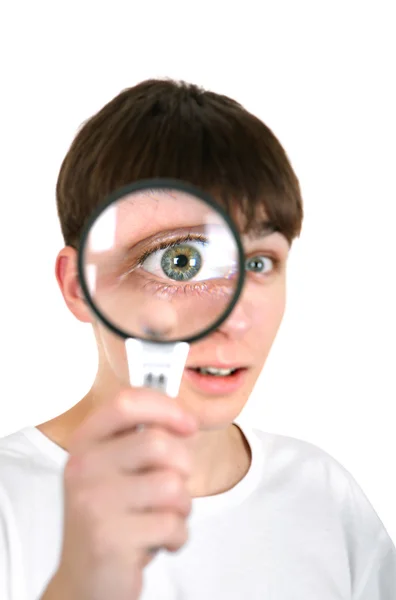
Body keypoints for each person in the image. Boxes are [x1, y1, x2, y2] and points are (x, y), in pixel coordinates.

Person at [0, 79, 395, 600]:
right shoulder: (8, 503)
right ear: (80, 289)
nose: (233, 319)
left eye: (258, 263)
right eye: (180, 262)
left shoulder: (324, 496)